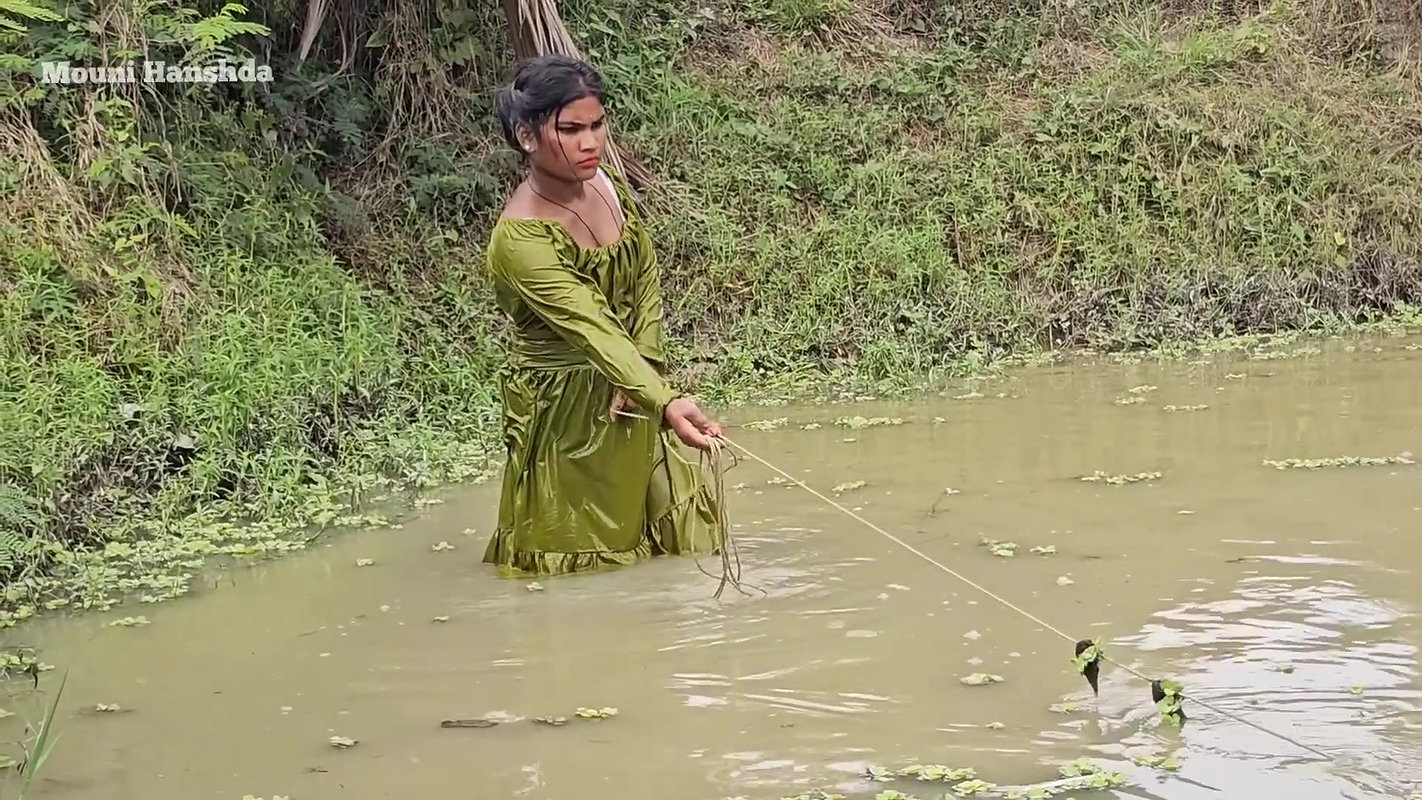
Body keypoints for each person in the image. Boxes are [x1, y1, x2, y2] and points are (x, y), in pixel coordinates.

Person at [481, 54, 726, 578]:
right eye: (571, 129)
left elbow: (645, 274)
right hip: (565, 409)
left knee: (663, 541)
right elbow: (588, 323)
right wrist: (660, 398)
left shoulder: (605, 185)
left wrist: (646, 367)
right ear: (527, 136)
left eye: (597, 125)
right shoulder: (521, 238)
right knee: (578, 557)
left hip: (631, 386)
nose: (590, 142)